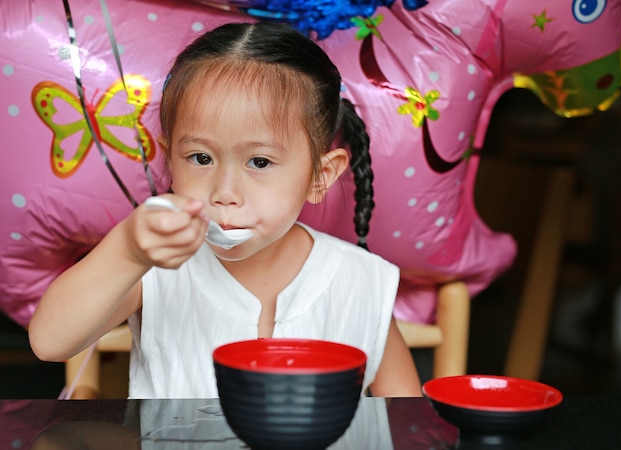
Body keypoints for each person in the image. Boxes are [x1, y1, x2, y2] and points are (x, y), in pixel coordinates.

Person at [29, 21, 422, 398]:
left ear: (320, 176)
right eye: (200, 158)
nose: (225, 192)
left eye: (260, 162)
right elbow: (49, 343)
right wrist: (128, 251)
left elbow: (405, 417)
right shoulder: (155, 268)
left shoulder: (361, 282)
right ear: (169, 158)